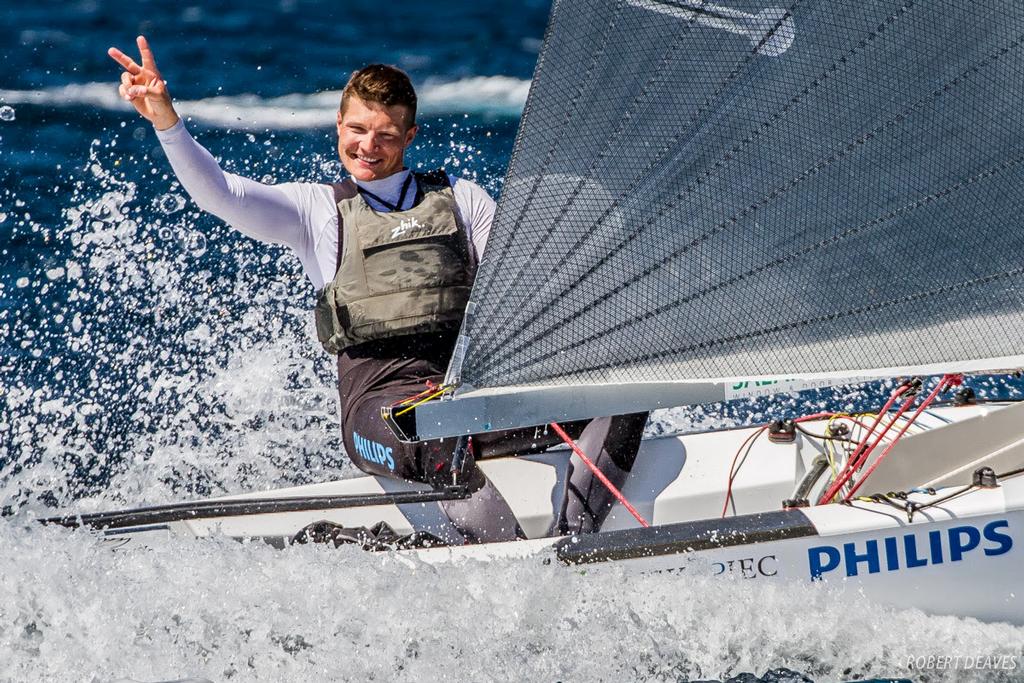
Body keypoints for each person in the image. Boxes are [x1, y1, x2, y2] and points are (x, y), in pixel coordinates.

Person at [108, 36, 647, 543]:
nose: (369, 146)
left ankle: (573, 544)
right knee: (439, 438)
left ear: (409, 137)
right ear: (338, 124)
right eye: (358, 130)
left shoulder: (463, 200)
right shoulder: (314, 210)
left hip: (464, 395)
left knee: (624, 398)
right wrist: (166, 121)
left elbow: (518, 287)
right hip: (381, 410)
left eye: (386, 135)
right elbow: (221, 194)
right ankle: (510, 564)